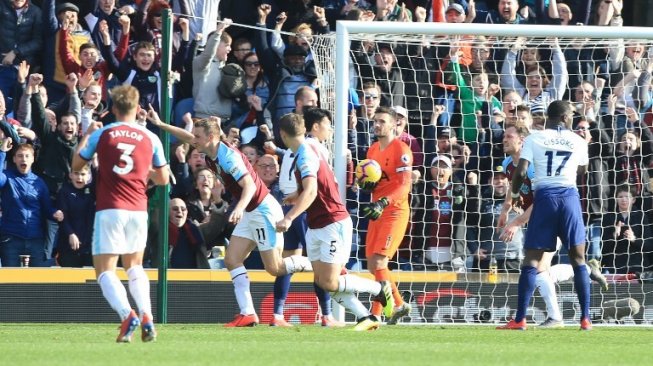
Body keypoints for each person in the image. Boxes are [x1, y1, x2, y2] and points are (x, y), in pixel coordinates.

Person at [186, 116, 313, 327]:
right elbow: (186, 136)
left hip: (262, 210)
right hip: (251, 211)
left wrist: (239, 208)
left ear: (210, 137)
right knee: (232, 259)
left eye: (197, 136)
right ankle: (247, 313)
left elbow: (250, 187)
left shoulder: (228, 157)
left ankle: (319, 265)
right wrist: (161, 125)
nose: (193, 139)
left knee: (275, 268)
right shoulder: (210, 149)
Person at [275, 112, 394, 331]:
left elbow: (312, 190)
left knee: (330, 281)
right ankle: (365, 317)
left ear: (282, 135)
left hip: (333, 222)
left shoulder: (305, 154)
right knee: (322, 281)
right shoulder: (309, 149)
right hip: (317, 224)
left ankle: (378, 288)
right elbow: (315, 184)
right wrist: (296, 194)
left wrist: (289, 217)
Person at [72, 85, 169, 342]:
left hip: (110, 207)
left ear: (113, 108)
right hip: (138, 209)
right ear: (138, 109)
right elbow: (163, 179)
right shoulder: (151, 138)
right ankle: (147, 314)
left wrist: (87, 134)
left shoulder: (103, 134)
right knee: (134, 265)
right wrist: (142, 174)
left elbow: (76, 165)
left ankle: (127, 315)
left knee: (105, 270)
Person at [497, 100, 592, 331]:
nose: (572, 119)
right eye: (571, 116)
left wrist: (517, 193)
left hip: (545, 198)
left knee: (531, 260)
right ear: (564, 117)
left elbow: (520, 172)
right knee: (578, 258)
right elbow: (582, 171)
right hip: (569, 197)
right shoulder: (578, 141)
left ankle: (520, 319)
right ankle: (585, 319)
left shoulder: (534, 138)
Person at [356, 106, 412, 325]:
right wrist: (362, 181)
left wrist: (384, 201)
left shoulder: (402, 149)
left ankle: (376, 314)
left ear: (394, 124)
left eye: (382, 121)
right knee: (373, 265)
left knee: (379, 262)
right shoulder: (372, 151)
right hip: (377, 210)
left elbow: (404, 185)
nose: (377, 125)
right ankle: (399, 304)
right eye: (375, 121)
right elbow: (373, 180)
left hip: (394, 211)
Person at [0, 140, 64, 267]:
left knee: (36, 283)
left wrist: (55, 213)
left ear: (33, 159)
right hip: (11, 239)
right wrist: (2, 152)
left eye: (27, 156)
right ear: (14, 159)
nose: (23, 159)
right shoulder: (7, 177)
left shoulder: (39, 183)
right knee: (10, 283)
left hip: (35, 240)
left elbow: (47, 209)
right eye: (19, 156)